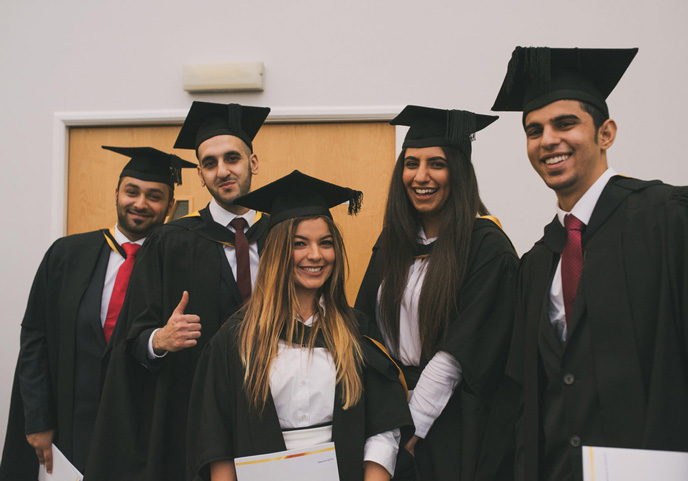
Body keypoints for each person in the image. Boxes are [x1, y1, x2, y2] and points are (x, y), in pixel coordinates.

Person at [492, 47, 688, 481]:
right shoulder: (539, 263)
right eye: (533, 130)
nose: (548, 140)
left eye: (565, 124)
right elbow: (530, 403)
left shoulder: (675, 220)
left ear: (606, 133)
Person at [84, 102, 272, 481]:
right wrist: (160, 339)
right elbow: (131, 341)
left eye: (232, 158)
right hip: (193, 416)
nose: (223, 171)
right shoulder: (170, 242)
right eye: (210, 163)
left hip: (275, 407)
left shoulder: (284, 235)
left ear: (253, 162)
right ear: (200, 174)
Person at [186, 170, 413, 481]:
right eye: (300, 244)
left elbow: (383, 426)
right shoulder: (238, 338)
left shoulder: (355, 331)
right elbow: (216, 442)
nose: (316, 255)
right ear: (278, 251)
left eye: (326, 243)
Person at [0, 146, 193, 480]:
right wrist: (38, 419)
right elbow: (35, 338)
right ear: (116, 192)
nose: (140, 203)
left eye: (154, 196)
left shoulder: (179, 267)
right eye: (131, 191)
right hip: (70, 429)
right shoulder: (66, 255)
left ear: (170, 206)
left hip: (143, 436)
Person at [354, 105, 519, 481]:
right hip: (390, 416)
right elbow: (365, 329)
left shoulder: (486, 247)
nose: (420, 176)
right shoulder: (393, 244)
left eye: (436, 164)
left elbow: (458, 355)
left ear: (458, 172)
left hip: (452, 427)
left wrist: (410, 427)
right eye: (411, 163)